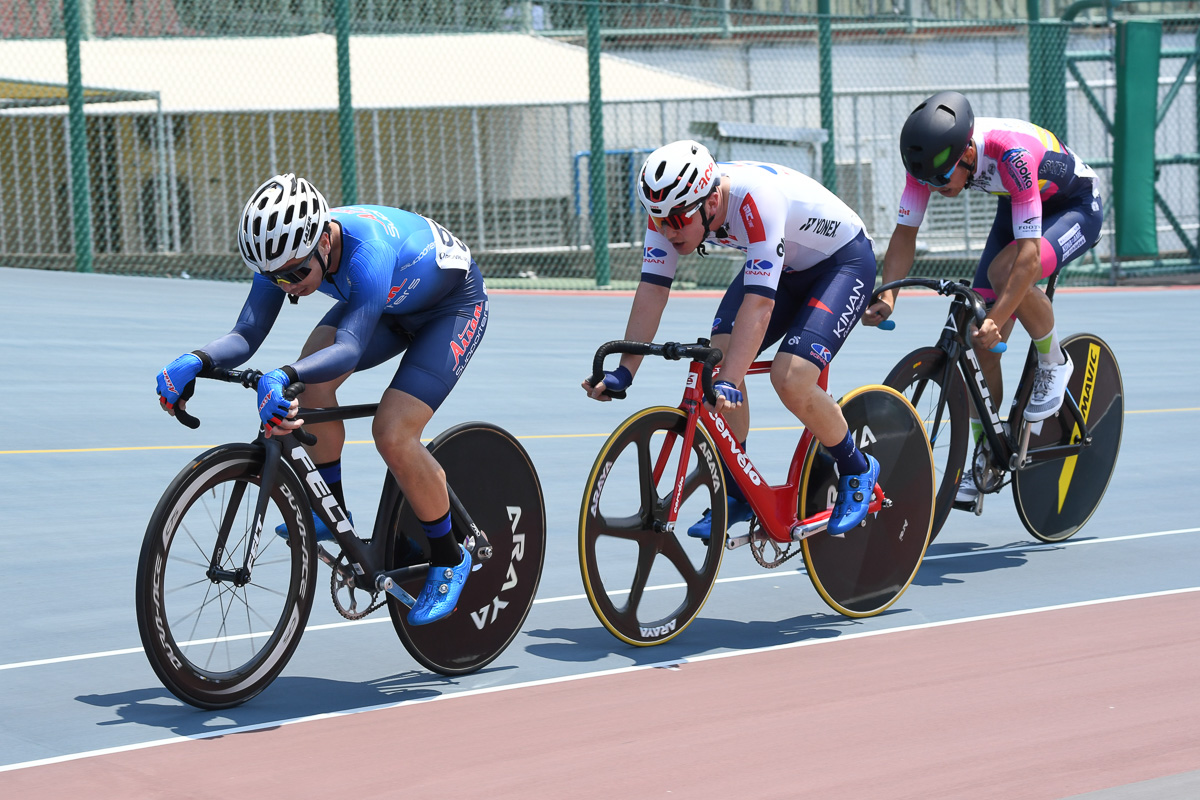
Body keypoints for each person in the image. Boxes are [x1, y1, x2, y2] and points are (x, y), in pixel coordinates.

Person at [155, 174, 488, 625]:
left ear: (324, 243)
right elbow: (247, 333)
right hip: (389, 306)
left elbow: (349, 348)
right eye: (276, 279)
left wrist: (284, 373)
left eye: (296, 274)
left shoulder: (367, 251)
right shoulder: (284, 254)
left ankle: (449, 558)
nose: (288, 286)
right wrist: (196, 359)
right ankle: (329, 508)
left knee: (392, 432)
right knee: (310, 382)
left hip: (451, 308)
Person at [582, 140, 880, 540]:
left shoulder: (756, 202)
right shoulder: (669, 209)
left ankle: (857, 466)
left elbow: (759, 308)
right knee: (716, 363)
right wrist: (626, 369)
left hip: (842, 263)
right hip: (788, 265)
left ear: (710, 202)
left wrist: (729, 380)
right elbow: (652, 290)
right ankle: (740, 491)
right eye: (660, 221)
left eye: (677, 221)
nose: (668, 231)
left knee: (789, 378)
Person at [862, 92, 1104, 505]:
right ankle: (985, 454)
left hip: (1074, 205)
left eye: (942, 179)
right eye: (927, 182)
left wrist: (1001, 316)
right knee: (977, 342)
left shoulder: (1010, 155)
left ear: (968, 152)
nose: (935, 189)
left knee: (1003, 276)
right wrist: (891, 297)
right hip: (1018, 206)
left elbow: (1027, 259)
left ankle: (1053, 361)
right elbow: (904, 236)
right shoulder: (928, 166)